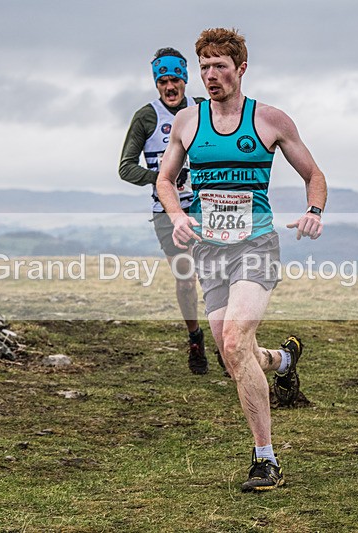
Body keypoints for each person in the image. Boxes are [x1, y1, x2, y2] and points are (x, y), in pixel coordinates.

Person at [156, 28, 327, 492]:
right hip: (209, 249)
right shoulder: (188, 123)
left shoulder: (269, 120)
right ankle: (283, 360)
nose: (210, 76)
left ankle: (266, 461)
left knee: (233, 340)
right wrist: (175, 215)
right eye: (204, 67)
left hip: (255, 245)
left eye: (220, 67)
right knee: (238, 355)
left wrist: (313, 211)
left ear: (241, 69)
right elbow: (165, 180)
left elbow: (314, 174)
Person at [119, 47, 209, 375]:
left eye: (175, 80)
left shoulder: (205, 108)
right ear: (157, 84)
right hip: (167, 214)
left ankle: (231, 343)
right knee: (187, 280)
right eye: (163, 81)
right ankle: (195, 337)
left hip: (208, 208)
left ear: (186, 80)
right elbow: (126, 168)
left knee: (217, 276)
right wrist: (161, 178)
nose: (170, 87)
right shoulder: (147, 117)